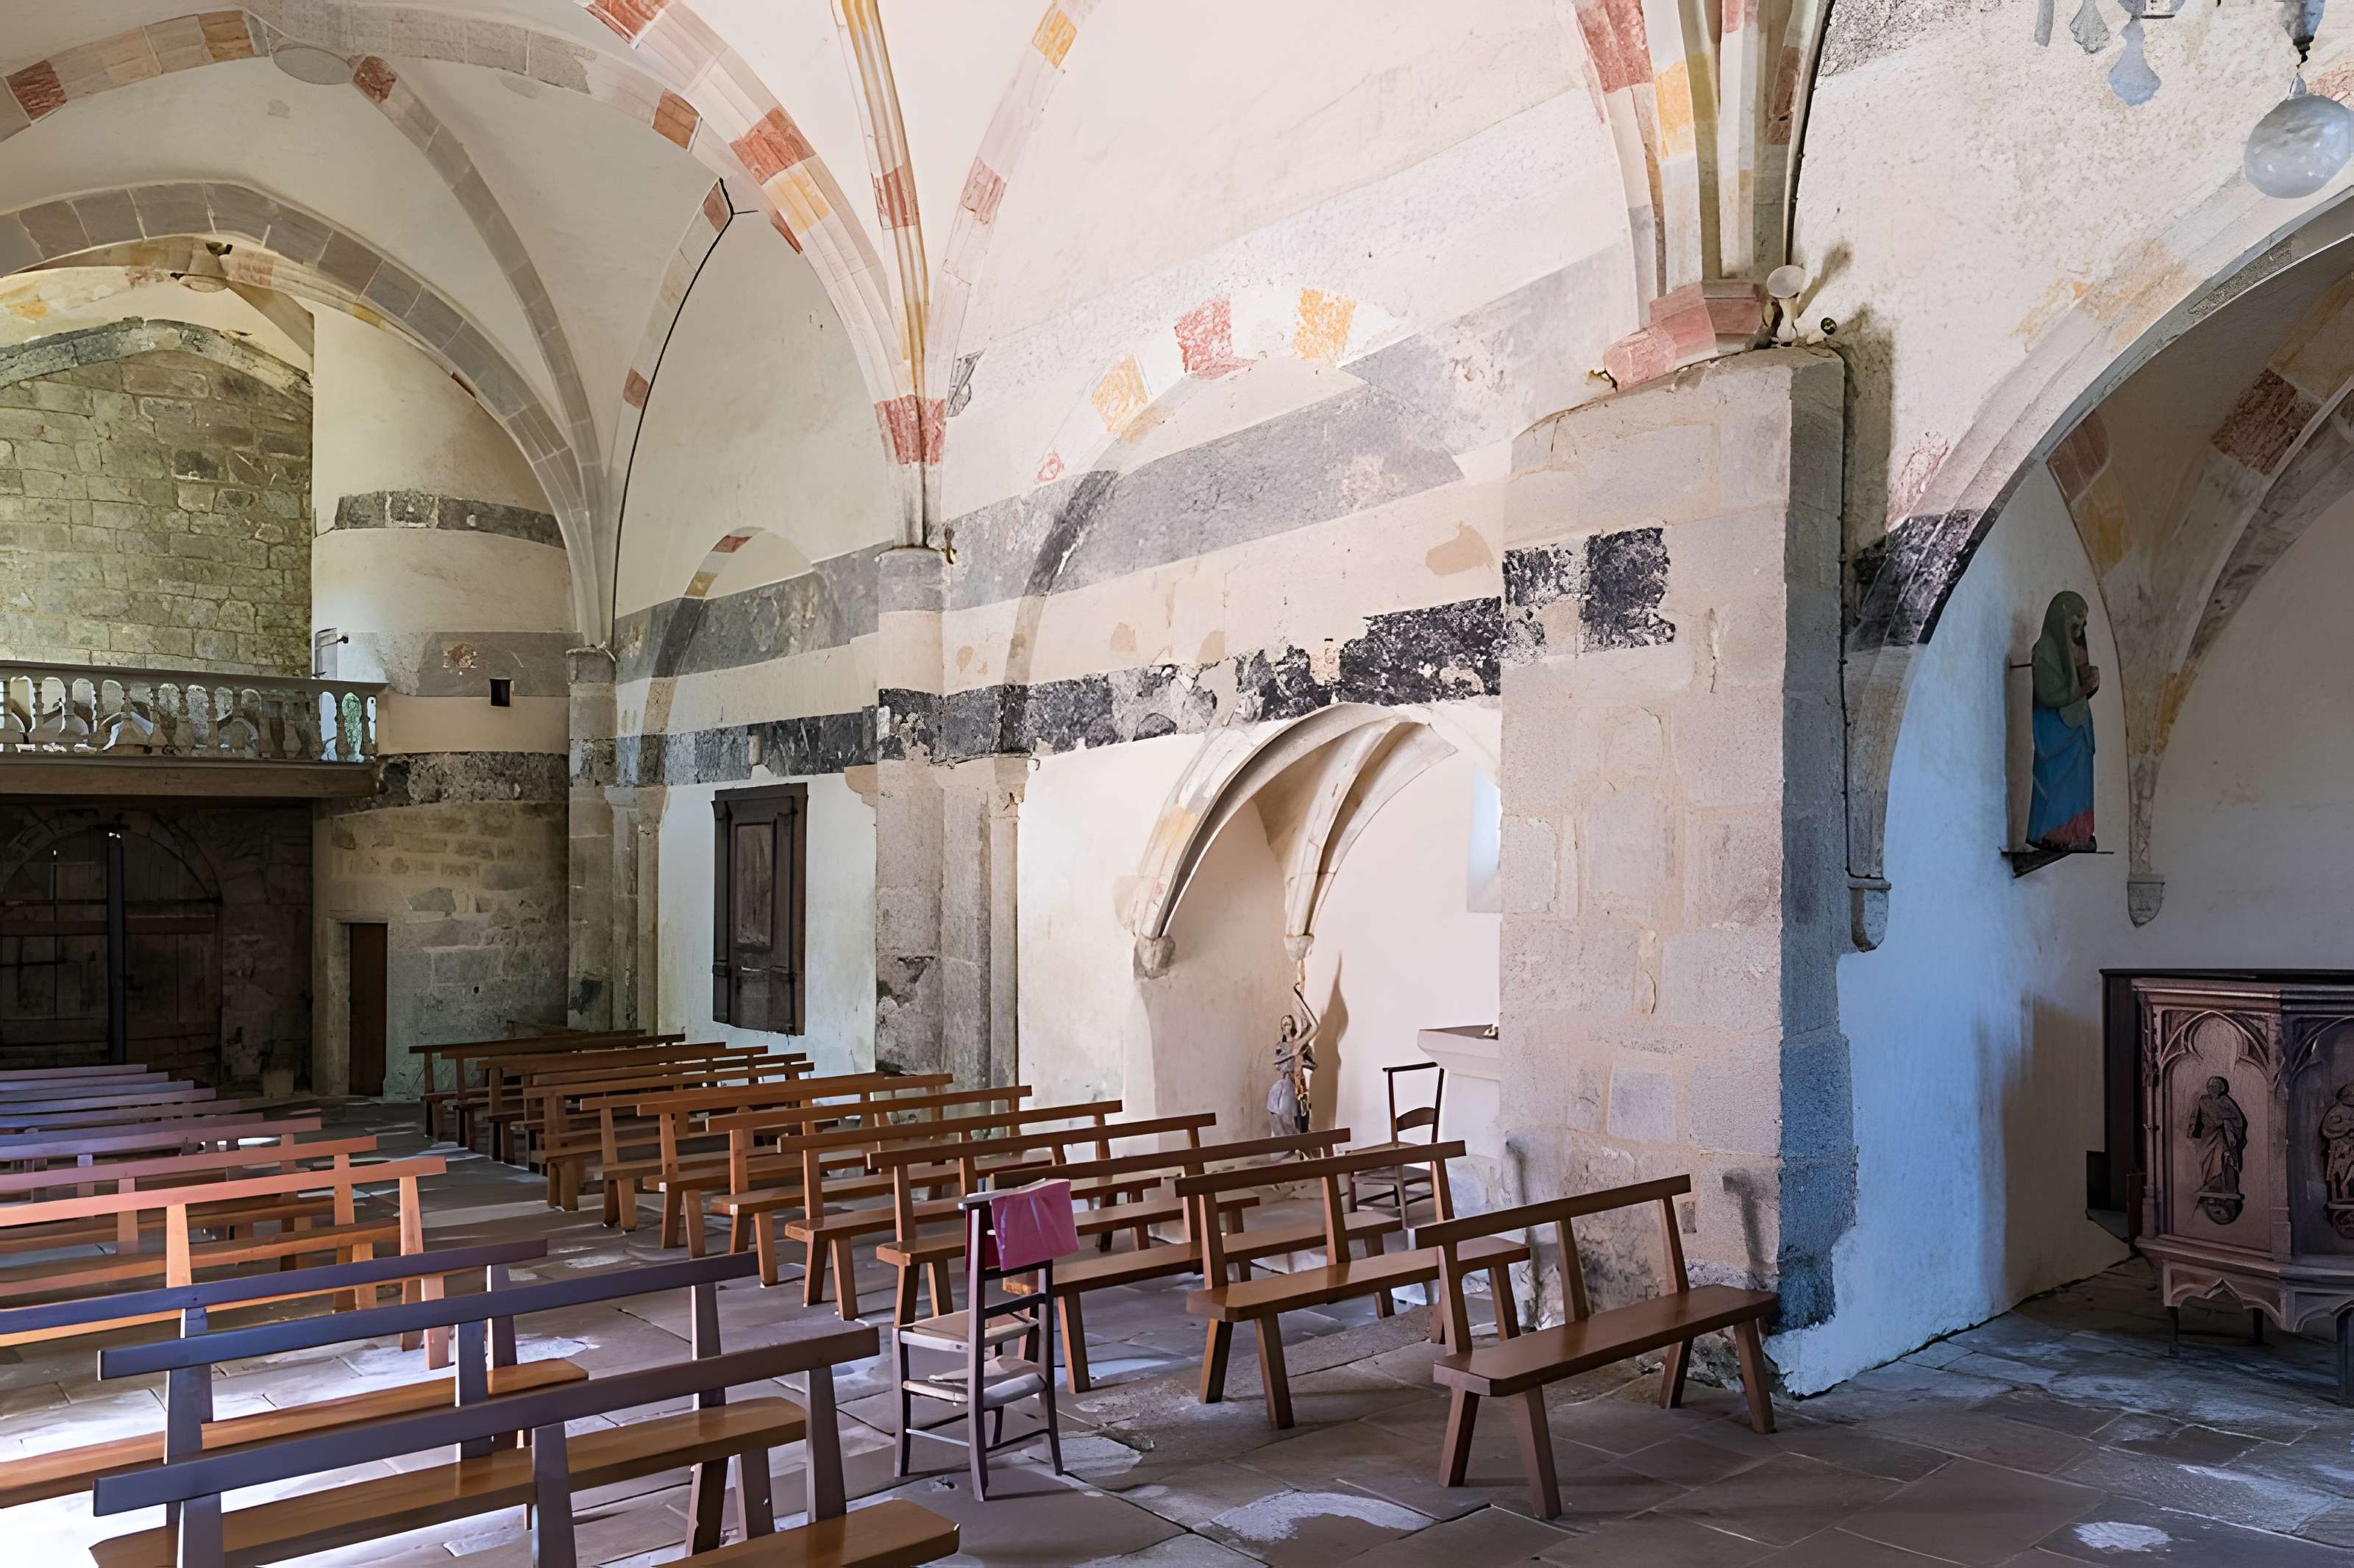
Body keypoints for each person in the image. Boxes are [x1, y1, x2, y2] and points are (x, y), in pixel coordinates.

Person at [2027, 590, 2099, 850]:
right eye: (2077, 618)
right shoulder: (2045, 649)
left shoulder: (2074, 650)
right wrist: (2081, 688)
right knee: (2054, 779)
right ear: (2063, 617)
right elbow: (2049, 694)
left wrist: (2089, 680)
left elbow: (2077, 690)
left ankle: (2077, 833)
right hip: (2055, 730)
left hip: (2077, 727)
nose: (2081, 626)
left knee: (2079, 781)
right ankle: (2052, 833)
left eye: (2084, 620)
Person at [1266, 979, 1318, 1140]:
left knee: (1301, 1120)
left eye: (1289, 1022)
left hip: (1299, 1085)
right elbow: (1280, 1063)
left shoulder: (1300, 1043)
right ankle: (1285, 1144)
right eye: (1284, 1024)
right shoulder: (1281, 1046)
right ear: (1282, 1029)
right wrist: (1292, 1053)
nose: (1287, 1025)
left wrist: (1299, 1000)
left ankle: (1299, 1146)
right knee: (1277, 1109)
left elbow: (1315, 1027)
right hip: (1285, 1083)